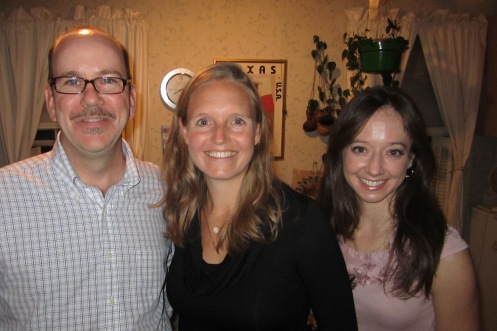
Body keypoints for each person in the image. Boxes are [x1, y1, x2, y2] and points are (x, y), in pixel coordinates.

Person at [159, 62, 357, 331]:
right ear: (184, 132)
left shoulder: (302, 222)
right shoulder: (181, 212)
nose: (219, 136)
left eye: (237, 121)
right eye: (204, 122)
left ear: (258, 132)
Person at [0, 27, 173, 330]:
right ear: (51, 102)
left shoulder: (170, 192)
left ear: (131, 100)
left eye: (108, 80)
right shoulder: (4, 196)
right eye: (71, 81)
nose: (91, 98)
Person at [318, 86, 480, 330]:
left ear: (411, 160)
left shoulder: (443, 252)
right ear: (341, 152)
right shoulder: (323, 228)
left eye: (393, 152)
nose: (374, 168)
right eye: (360, 149)